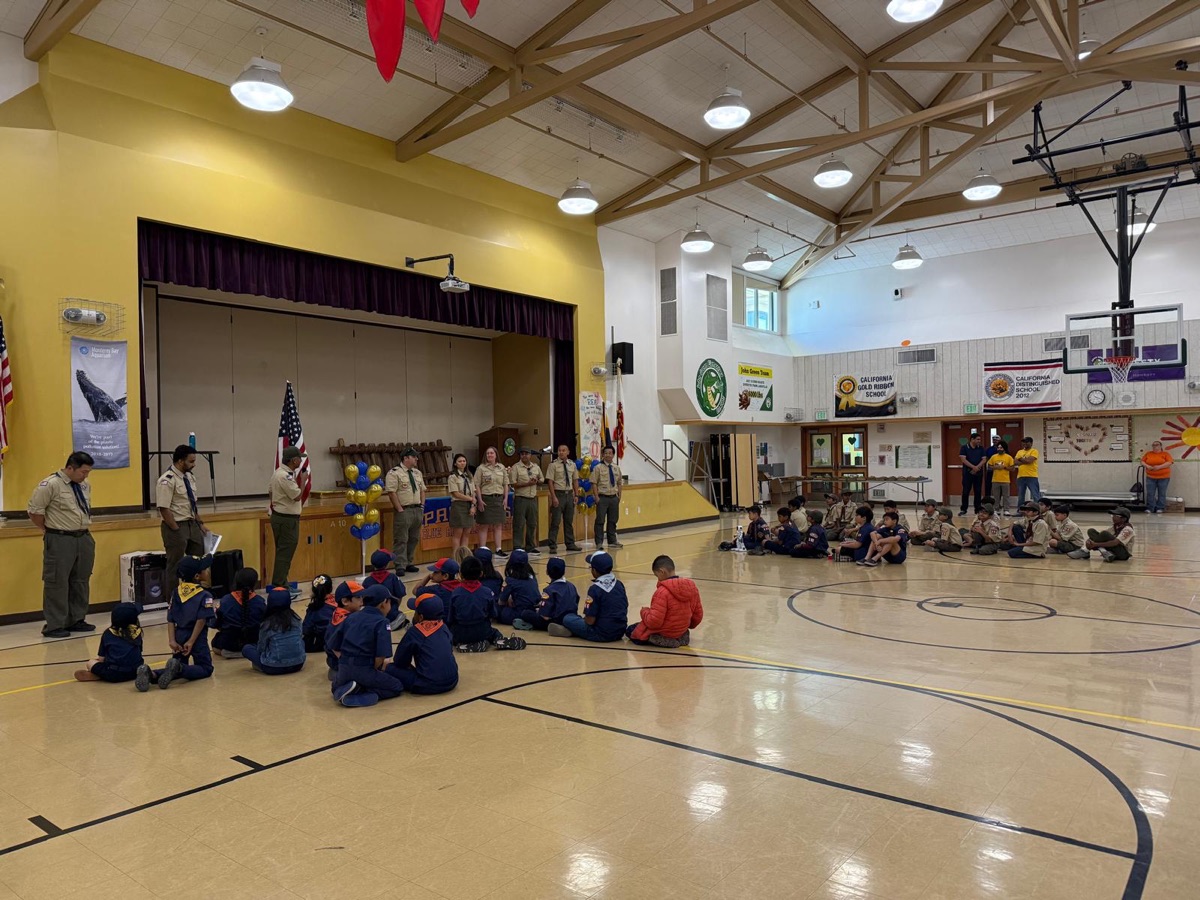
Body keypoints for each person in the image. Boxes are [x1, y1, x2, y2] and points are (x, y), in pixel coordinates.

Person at [27, 451, 96, 638]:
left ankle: (76, 619)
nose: (85, 476)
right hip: (60, 538)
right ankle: (55, 624)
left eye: (88, 472)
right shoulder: (50, 485)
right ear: (70, 468)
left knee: (81, 580)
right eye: (83, 472)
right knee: (57, 581)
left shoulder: (84, 486)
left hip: (83, 537)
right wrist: (50, 531)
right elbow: (35, 513)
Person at [136, 554, 215, 691]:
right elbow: (201, 620)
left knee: (176, 662)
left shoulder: (176, 593)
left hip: (179, 635)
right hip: (196, 637)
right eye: (204, 569)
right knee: (205, 668)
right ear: (197, 576)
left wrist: (172, 640)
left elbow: (170, 618)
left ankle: (152, 674)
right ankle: (178, 668)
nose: (207, 571)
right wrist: (191, 641)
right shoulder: (205, 595)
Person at [328, 584, 405, 708]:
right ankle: (362, 691)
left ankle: (348, 687)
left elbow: (333, 645)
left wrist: (345, 662)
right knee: (396, 686)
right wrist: (369, 671)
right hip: (364, 667)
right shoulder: (382, 622)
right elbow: (381, 656)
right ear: (384, 603)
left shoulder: (350, 617)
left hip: (344, 668)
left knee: (336, 687)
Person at [156, 444, 209, 603]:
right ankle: (174, 599)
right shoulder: (167, 480)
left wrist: (201, 524)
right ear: (180, 461)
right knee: (175, 565)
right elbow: (164, 508)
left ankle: (195, 594)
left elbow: (192, 504)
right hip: (176, 525)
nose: (194, 464)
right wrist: (175, 529)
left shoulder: (189, 477)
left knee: (198, 560)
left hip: (192, 524)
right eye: (191, 461)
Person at [447, 556, 526, 652]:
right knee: (494, 632)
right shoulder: (487, 592)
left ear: (461, 574)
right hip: (482, 631)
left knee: (450, 633)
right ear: (481, 574)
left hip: (461, 632)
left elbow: (451, 618)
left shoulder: (455, 593)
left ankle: (463, 644)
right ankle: (497, 640)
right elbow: (493, 614)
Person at [385, 593, 459, 695]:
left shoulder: (415, 632)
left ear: (420, 617)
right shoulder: (444, 628)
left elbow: (400, 661)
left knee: (388, 667)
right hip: (452, 680)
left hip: (427, 685)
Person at [627, 555, 703, 648]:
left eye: (657, 575)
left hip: (664, 631)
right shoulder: (692, 587)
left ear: (662, 571)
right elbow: (698, 616)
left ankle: (663, 639)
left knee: (631, 630)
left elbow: (654, 622)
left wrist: (644, 612)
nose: (658, 579)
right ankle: (680, 636)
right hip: (681, 629)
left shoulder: (662, 592)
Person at [552, 551, 628, 642]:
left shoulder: (595, 589)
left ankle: (571, 631)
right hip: (620, 631)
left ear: (594, 570)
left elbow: (590, 621)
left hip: (601, 634)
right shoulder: (619, 584)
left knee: (567, 618)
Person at [268, 446, 308, 588]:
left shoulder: (278, 473)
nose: (301, 461)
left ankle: (282, 582)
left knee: (283, 553)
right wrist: (303, 480)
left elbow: (271, 493)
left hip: (279, 516)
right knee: (285, 553)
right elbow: (297, 496)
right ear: (294, 460)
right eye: (299, 459)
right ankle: (280, 584)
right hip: (286, 520)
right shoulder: (284, 476)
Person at [242, 588, 306, 675]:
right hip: (298, 664)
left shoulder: (267, 623)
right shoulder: (296, 619)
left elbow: (261, 647)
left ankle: (261, 667)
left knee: (247, 648)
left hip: (273, 667)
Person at [74, 605, 144, 683]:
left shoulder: (108, 633)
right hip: (136, 671)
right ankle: (103, 675)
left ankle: (100, 675)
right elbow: (139, 652)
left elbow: (101, 658)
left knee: (91, 662)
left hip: (114, 674)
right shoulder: (137, 632)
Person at [386, 447, 426, 574]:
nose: (416, 459)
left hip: (416, 509)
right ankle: (400, 565)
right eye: (414, 457)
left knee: (414, 538)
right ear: (406, 458)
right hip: (404, 509)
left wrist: (422, 506)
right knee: (401, 538)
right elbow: (392, 493)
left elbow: (422, 490)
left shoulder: (417, 473)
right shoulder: (394, 473)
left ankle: (409, 562)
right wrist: (399, 509)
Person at [212, 567, 266, 659]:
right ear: (255, 583)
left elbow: (217, 624)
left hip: (230, 645)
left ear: (236, 581)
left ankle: (232, 653)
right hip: (253, 642)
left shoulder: (226, 600)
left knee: (215, 643)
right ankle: (249, 651)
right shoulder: (260, 601)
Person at [514, 558, 579, 631]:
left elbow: (545, 616)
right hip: (570, 617)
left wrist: (538, 610)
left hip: (555, 621)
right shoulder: (571, 586)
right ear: (564, 571)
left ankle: (555, 628)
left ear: (547, 571)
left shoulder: (549, 590)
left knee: (526, 613)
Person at [473, 446, 510, 555]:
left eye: (491, 453)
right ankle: (483, 549)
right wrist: (479, 500)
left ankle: (498, 549)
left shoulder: (501, 468)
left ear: (495, 455)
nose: (489, 455)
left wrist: (506, 498)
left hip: (498, 498)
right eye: (488, 453)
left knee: (498, 525)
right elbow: (477, 485)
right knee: (484, 525)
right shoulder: (481, 468)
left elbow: (506, 484)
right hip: (486, 498)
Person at [546, 445, 583, 554]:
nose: (561, 452)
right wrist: (553, 497)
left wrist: (576, 495)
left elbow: (575, 480)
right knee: (555, 521)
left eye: (563, 450)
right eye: (559, 450)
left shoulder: (572, 464)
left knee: (568, 521)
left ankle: (570, 543)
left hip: (569, 494)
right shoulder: (553, 465)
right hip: (558, 494)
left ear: (568, 452)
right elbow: (550, 482)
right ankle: (552, 545)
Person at [324, 582, 363, 681]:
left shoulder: (336, 612)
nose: (362, 601)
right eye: (358, 597)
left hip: (333, 660)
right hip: (343, 661)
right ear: (345, 601)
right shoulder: (350, 620)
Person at [364, 549, 409, 632]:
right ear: (387, 564)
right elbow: (400, 595)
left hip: (372, 615)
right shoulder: (393, 578)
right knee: (401, 616)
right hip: (391, 613)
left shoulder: (367, 581)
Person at [509, 448, 544, 555]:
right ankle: (517, 546)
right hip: (521, 498)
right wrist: (527, 484)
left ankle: (530, 546)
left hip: (532, 498)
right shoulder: (516, 467)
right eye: (522, 454)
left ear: (530, 455)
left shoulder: (536, 467)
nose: (524, 456)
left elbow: (542, 479)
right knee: (519, 524)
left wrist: (537, 481)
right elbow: (513, 483)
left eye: (527, 454)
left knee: (532, 523)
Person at [496, 549, 541, 626]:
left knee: (498, 609)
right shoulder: (532, 576)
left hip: (519, 612)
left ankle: (521, 621)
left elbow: (501, 601)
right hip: (533, 609)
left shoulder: (510, 580)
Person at [592, 445, 624, 550]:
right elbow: (594, 483)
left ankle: (612, 541)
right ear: (602, 455)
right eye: (606, 453)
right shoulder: (598, 468)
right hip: (602, 497)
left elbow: (619, 482)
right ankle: (599, 542)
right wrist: (596, 497)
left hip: (613, 497)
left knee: (613, 520)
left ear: (613, 455)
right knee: (600, 520)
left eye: (610, 453)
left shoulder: (616, 468)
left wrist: (619, 495)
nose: (608, 455)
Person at [446, 453, 476, 553]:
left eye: (464, 461)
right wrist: (470, 499)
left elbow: (473, 492)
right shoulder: (453, 477)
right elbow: (455, 493)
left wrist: (473, 505)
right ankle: (456, 557)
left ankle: (464, 556)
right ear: (455, 464)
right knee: (457, 533)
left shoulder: (469, 475)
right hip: (458, 505)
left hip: (469, 505)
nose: (462, 463)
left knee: (467, 533)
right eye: (459, 461)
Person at [301, 574, 338, 653]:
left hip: (315, 644)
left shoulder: (313, 608)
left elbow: (306, 628)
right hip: (333, 641)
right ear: (331, 589)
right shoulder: (337, 604)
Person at [1141, 440, 1173, 514]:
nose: (1155, 446)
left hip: (1164, 477)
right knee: (1150, 493)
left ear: (1161, 446)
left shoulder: (1165, 454)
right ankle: (1150, 508)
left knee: (1162, 493)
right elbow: (1142, 461)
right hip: (1150, 477)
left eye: (1157, 445)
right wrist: (1147, 466)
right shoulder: (1148, 454)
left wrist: (1159, 467)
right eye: (1153, 445)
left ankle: (1160, 508)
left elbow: (1169, 462)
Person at [959, 433, 987, 516]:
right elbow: (963, 460)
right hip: (967, 473)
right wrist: (973, 467)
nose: (979, 441)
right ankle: (964, 509)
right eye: (977, 439)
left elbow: (984, 459)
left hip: (978, 473)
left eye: (979, 439)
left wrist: (977, 467)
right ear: (972, 439)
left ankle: (977, 508)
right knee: (965, 491)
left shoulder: (981, 448)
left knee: (978, 491)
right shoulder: (964, 448)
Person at [987, 440, 1015, 515]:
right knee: (996, 496)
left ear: (1004, 448)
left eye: (1001, 448)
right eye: (998, 447)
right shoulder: (993, 457)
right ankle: (996, 509)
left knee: (1006, 496)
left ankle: (1006, 509)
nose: (999, 449)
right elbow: (989, 466)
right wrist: (996, 467)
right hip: (995, 480)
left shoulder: (1009, 457)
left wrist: (1005, 467)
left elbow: (1012, 468)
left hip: (1005, 480)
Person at [1014, 437, 1041, 506]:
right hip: (1021, 476)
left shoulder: (1034, 451)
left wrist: (1020, 458)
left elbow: (1029, 461)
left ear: (1031, 443)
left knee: (1035, 495)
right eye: (1023, 442)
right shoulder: (1019, 452)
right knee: (1021, 495)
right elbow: (1015, 462)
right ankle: (1020, 510)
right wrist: (1024, 460)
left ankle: (1038, 510)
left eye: (1026, 442)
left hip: (1031, 476)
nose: (1024, 444)